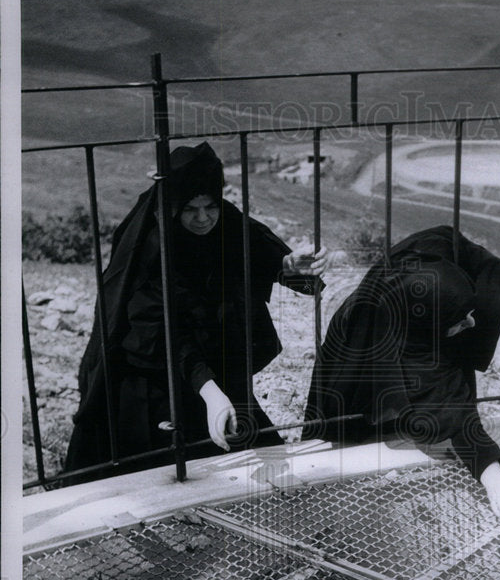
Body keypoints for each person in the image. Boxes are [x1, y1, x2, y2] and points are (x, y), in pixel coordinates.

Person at [63, 142, 327, 483]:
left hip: (214, 362)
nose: (203, 219)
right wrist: (209, 391)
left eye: (209, 207)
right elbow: (159, 330)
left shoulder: (226, 221)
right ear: (172, 205)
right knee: (154, 474)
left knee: (268, 464)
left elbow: (259, 254)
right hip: (154, 374)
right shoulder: (149, 244)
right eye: (190, 209)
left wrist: (288, 266)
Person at [303, 224, 500, 522]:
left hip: (403, 322)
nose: (471, 323)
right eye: (460, 319)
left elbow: (452, 240)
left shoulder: (429, 256)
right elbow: (452, 410)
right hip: (355, 353)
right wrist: (494, 478)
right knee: (352, 424)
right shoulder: (408, 349)